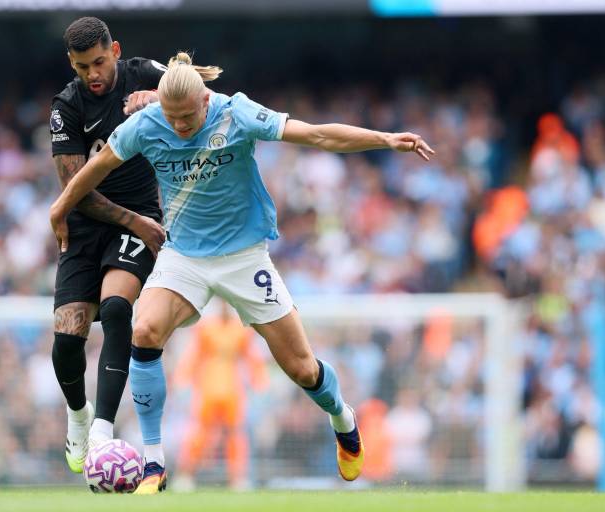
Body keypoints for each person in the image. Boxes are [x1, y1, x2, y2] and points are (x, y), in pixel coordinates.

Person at [50, 51, 435, 493]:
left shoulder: (238, 113)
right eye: (170, 116)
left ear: (206, 101)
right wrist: (60, 206)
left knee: (301, 369)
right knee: (145, 329)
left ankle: (342, 418)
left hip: (244, 258)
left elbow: (317, 136)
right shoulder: (146, 123)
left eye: (186, 117)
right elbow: (93, 169)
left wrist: (385, 140)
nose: (177, 126)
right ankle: (154, 463)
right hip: (184, 256)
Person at [48, 16, 166, 474]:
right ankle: (78, 415)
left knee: (117, 310)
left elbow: (204, 92)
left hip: (137, 224)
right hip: (85, 225)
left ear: (114, 50)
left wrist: (161, 95)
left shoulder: (143, 73)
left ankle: (101, 431)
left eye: (98, 62)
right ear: (72, 65)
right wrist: (135, 219)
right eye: (82, 68)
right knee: (66, 340)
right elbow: (76, 188)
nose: (92, 74)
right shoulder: (66, 106)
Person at [174, 301, 268, 489]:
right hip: (207, 387)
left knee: (235, 433)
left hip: (233, 388)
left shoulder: (241, 330)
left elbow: (252, 358)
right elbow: (193, 356)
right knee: (200, 431)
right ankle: (186, 474)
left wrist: (259, 383)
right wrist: (183, 379)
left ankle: (238, 478)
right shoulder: (205, 328)